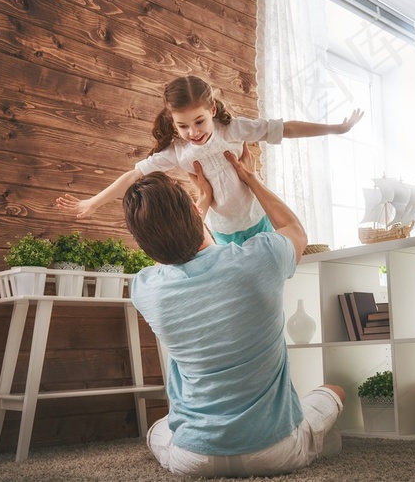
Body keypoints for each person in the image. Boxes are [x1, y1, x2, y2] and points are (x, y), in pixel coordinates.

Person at [122, 145, 345, 477]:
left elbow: (169, 256)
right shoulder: (258, 258)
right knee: (334, 391)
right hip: (274, 450)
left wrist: (199, 205)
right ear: (193, 213)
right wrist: (250, 178)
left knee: (159, 428)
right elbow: (295, 231)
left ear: (143, 242)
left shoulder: (144, 289)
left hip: (193, 459)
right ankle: (310, 440)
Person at [57, 75, 363, 244]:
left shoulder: (233, 129)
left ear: (212, 110)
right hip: (221, 232)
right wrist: (93, 202)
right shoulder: (177, 150)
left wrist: (337, 128)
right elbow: (133, 175)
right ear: (173, 122)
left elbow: (285, 129)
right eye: (183, 125)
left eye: (199, 122)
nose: (193, 132)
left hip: (257, 221)